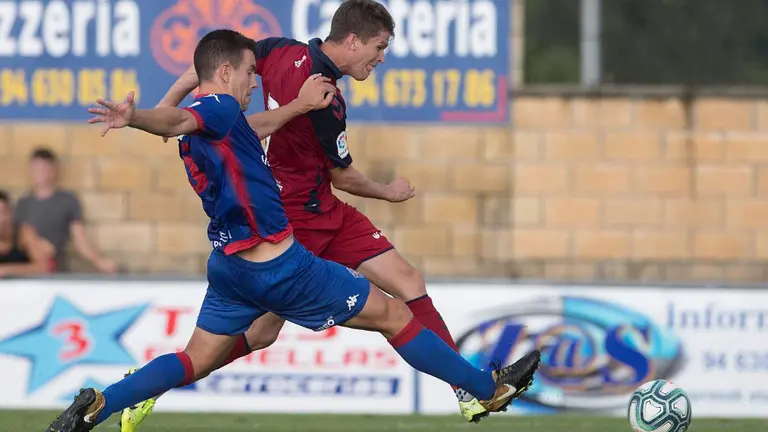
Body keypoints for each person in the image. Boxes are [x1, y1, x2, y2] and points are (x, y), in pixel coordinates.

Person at [46, 29, 540, 432]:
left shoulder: (212, 129)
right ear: (223, 73)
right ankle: (484, 390)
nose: (250, 82)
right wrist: (135, 118)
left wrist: (289, 106)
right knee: (393, 313)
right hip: (281, 265)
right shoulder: (216, 108)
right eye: (246, 74)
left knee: (197, 357)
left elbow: (210, 122)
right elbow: (177, 117)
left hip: (229, 268)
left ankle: (99, 405)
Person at [124, 1, 491, 427]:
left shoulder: (278, 49)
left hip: (327, 209)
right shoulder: (326, 104)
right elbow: (345, 177)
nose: (382, 58)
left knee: (407, 280)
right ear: (353, 40)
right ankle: (149, 385)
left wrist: (170, 112)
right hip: (296, 217)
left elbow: (206, 68)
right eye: (379, 46)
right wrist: (388, 192)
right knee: (261, 333)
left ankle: (467, 388)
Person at [15, 148, 117, 273]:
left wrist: (100, 261)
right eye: (37, 168)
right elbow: (17, 239)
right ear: (30, 169)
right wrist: (35, 245)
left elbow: (80, 239)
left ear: (53, 169)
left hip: (57, 270)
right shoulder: (23, 204)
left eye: (45, 168)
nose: (41, 173)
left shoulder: (67, 201)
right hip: (27, 271)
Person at [0, 190, 56, 277]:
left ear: (11, 214)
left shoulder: (24, 233)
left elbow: (44, 267)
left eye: (4, 212)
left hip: (26, 287)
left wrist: (6, 270)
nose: (2, 219)